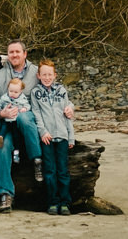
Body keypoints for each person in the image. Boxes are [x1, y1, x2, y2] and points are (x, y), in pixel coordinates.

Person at [0, 39, 46, 212]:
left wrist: (67, 107)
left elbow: (50, 88)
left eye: (17, 52)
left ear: (25, 54)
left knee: (23, 118)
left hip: (28, 120)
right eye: (11, 52)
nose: (14, 55)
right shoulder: (0, 75)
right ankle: (5, 194)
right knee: (3, 147)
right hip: (8, 122)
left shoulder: (36, 72)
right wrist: (0, 113)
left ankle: (37, 160)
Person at [30, 59, 75, 215]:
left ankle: (65, 203)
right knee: (50, 171)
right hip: (47, 138)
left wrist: (71, 137)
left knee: (63, 170)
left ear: (55, 75)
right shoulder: (35, 92)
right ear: (38, 75)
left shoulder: (61, 90)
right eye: (44, 75)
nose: (47, 77)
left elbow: (67, 113)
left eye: (50, 74)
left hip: (62, 136)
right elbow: (36, 113)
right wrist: (42, 131)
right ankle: (53, 202)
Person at [0, 77, 31, 153]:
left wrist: (24, 108)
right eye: (11, 91)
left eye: (16, 92)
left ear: (20, 91)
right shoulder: (5, 97)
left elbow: (28, 105)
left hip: (15, 120)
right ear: (8, 88)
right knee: (3, 128)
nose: (12, 94)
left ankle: (16, 151)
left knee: (16, 135)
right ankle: (0, 138)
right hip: (6, 119)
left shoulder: (22, 98)